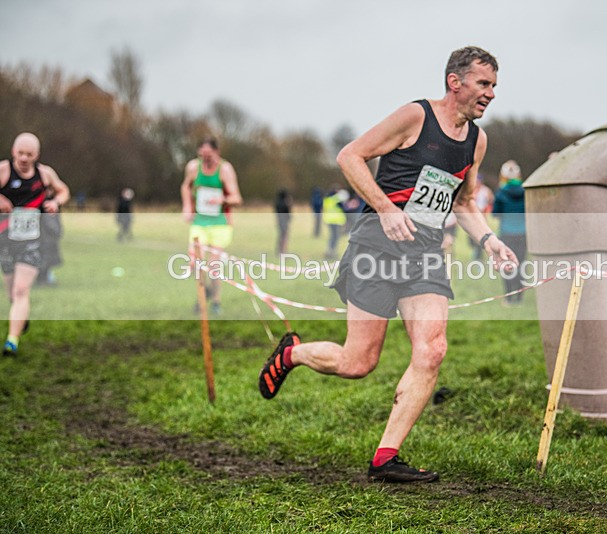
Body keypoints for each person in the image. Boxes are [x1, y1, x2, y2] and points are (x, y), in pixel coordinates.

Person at [258, 46, 517, 482]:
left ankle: (385, 457)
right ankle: (292, 354)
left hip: (426, 254)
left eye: (494, 85)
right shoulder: (416, 117)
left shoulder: (477, 140)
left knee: (432, 349)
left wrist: (489, 239)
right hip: (377, 246)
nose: (491, 93)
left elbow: (465, 201)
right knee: (359, 362)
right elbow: (350, 156)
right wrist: (385, 208)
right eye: (483, 83)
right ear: (455, 82)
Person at [0, 133, 70, 356]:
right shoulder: (3, 171)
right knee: (12, 292)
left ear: (36, 155)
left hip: (32, 241)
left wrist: (55, 202)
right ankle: (21, 316)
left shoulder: (44, 174)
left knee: (21, 290)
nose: (24, 158)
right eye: (20, 153)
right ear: (13, 152)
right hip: (6, 240)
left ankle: (12, 340)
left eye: (29, 154)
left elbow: (63, 190)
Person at [180, 137, 243, 315]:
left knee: (214, 266)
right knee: (194, 261)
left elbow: (237, 198)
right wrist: (187, 206)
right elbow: (185, 187)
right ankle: (203, 293)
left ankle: (215, 301)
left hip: (220, 223)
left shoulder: (225, 169)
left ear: (217, 152)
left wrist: (222, 199)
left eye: (209, 155)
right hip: (200, 221)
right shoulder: (193, 167)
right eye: (202, 155)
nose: (206, 159)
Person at [492, 160, 527, 305]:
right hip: (523, 233)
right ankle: (519, 296)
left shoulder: (501, 193)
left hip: (506, 233)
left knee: (506, 265)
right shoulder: (525, 191)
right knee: (521, 264)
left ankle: (508, 298)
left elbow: (495, 214)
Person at [322, 185, 347, 259]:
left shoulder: (327, 199)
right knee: (335, 237)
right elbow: (344, 208)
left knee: (332, 236)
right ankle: (332, 252)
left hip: (329, 220)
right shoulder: (337, 199)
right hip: (336, 220)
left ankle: (329, 251)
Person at [275, 188, 292, 255]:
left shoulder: (277, 202)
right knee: (284, 236)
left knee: (281, 236)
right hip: (283, 221)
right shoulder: (284, 204)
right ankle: (283, 250)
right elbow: (287, 211)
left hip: (280, 220)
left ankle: (280, 250)